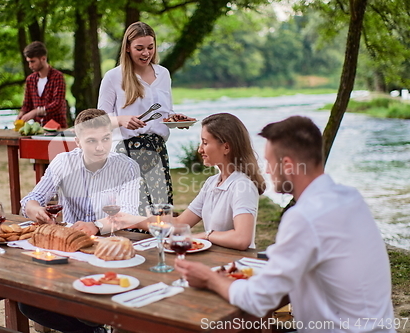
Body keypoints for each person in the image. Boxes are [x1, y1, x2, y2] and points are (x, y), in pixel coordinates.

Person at [176, 116, 395, 332]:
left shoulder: (304, 217)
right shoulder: (351, 198)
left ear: (288, 165)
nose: (268, 171)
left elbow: (258, 300)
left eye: (270, 163)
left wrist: (209, 279)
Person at [115, 113, 266, 250]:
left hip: (236, 266)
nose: (200, 149)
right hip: (217, 259)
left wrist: (204, 236)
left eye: (205, 143)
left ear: (226, 147)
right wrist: (132, 220)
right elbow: (180, 222)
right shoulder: (212, 182)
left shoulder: (242, 186)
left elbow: (241, 239)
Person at [98, 21, 184, 216]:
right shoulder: (113, 77)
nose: (146, 53)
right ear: (127, 48)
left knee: (161, 210)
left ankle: (160, 246)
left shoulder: (163, 73)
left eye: (150, 47)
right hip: (128, 152)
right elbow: (98, 120)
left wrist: (174, 118)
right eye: (139, 48)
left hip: (158, 150)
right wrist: (121, 120)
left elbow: (165, 113)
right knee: (133, 212)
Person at [21, 108, 140, 235]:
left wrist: (97, 226)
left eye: (106, 139)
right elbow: (32, 198)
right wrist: (37, 211)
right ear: (78, 142)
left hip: (113, 240)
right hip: (71, 240)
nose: (100, 147)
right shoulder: (63, 162)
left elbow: (129, 214)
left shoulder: (128, 167)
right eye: (91, 141)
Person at [17, 41, 67, 128]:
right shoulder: (30, 80)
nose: (30, 65)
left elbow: (57, 103)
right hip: (38, 129)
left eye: (33, 61)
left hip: (57, 128)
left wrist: (36, 112)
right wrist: (20, 116)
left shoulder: (57, 77)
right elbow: (27, 104)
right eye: (28, 62)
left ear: (43, 59)